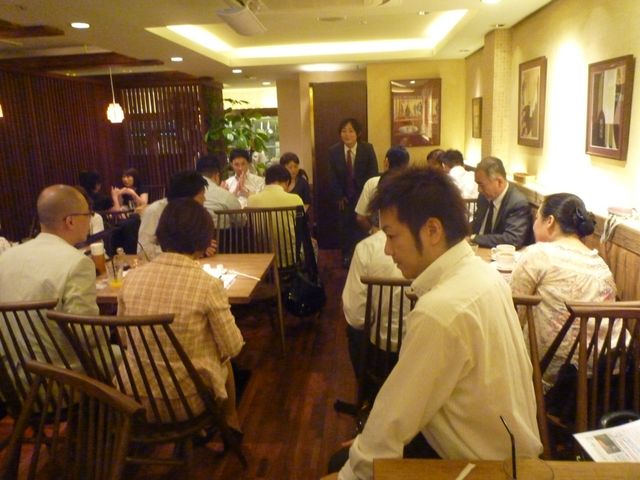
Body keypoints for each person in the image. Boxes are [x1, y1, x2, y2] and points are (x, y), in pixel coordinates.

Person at [332, 168, 541, 480]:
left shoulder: (441, 310)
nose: (387, 250)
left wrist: (350, 471)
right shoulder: (485, 275)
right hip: (505, 449)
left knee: (340, 463)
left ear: (432, 230)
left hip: (478, 466)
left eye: (391, 236)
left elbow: (393, 418)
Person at [118, 198, 244, 428]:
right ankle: (230, 423)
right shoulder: (208, 285)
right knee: (223, 358)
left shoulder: (131, 278)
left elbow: (124, 338)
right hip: (184, 401)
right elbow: (233, 347)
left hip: (131, 397)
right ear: (204, 239)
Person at [0, 185, 115, 371]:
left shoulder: (5, 258)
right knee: (130, 357)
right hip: (65, 375)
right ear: (70, 221)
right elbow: (87, 335)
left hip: (16, 375)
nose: (90, 219)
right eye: (88, 214)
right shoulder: (77, 262)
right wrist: (113, 326)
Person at [510, 193, 616, 385]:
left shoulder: (538, 254)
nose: (534, 225)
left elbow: (513, 316)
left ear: (549, 221)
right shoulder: (601, 266)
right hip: (602, 380)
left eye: (537, 218)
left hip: (550, 378)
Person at [328, 118, 378, 268]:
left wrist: (368, 197)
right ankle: (346, 256)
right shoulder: (334, 151)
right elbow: (331, 176)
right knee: (345, 229)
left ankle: (364, 258)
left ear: (358, 133)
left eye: (351, 131)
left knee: (362, 229)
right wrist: (339, 196)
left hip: (363, 196)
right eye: (344, 131)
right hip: (344, 199)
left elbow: (373, 174)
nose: (347, 134)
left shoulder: (367, 149)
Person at [137, 170, 214, 260]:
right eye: (201, 195)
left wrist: (200, 247)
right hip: (160, 265)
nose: (204, 199)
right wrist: (181, 253)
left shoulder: (194, 214)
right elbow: (143, 250)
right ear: (186, 197)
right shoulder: (154, 211)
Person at [247, 164, 304, 269]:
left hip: (263, 261)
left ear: (266, 181)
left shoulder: (251, 200)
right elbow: (302, 228)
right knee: (313, 244)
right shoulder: (295, 199)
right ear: (287, 181)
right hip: (290, 259)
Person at [470, 156, 532, 248]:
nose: (479, 190)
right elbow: (476, 224)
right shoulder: (483, 198)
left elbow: (512, 239)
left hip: (496, 253)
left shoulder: (517, 203)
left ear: (499, 182)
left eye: (481, 185)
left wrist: (474, 238)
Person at [354, 145, 409, 233]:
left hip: (379, 234)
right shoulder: (413, 186)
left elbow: (360, 218)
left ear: (386, 162)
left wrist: (373, 231)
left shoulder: (372, 183)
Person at [196, 153, 242, 227]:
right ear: (216, 175)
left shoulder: (189, 191)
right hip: (222, 233)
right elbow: (241, 220)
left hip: (193, 233)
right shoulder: (224, 195)